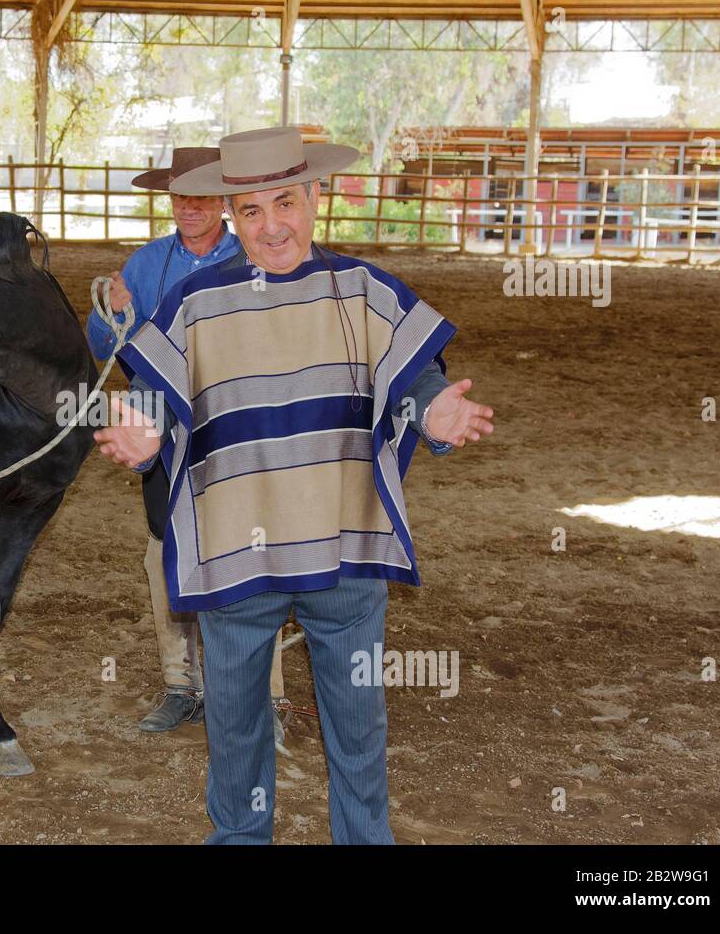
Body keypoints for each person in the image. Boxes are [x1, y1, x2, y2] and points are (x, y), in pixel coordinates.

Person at [94, 127, 495, 844]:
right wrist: (145, 432)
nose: (272, 225)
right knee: (237, 723)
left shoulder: (364, 289)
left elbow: (413, 372)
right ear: (232, 217)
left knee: (358, 722)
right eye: (250, 211)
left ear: (315, 196)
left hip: (343, 551)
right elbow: (155, 392)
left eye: (285, 202)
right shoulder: (193, 303)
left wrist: (436, 407)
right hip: (237, 557)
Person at [88, 148, 288, 737]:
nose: (191, 208)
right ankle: (182, 685)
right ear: (170, 202)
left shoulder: (256, 254)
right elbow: (105, 347)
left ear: (224, 201)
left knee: (254, 551)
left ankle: (266, 698)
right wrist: (112, 313)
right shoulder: (147, 262)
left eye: (203, 197)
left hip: (235, 418)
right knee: (165, 547)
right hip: (163, 417)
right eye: (181, 198)